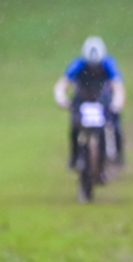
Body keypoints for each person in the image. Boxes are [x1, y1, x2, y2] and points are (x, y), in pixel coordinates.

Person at [53, 36, 126, 167]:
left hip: (103, 100)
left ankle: (118, 157)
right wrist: (61, 99)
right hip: (81, 99)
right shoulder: (78, 65)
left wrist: (117, 103)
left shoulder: (108, 64)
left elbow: (118, 86)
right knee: (75, 127)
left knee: (114, 127)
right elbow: (63, 84)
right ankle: (74, 157)